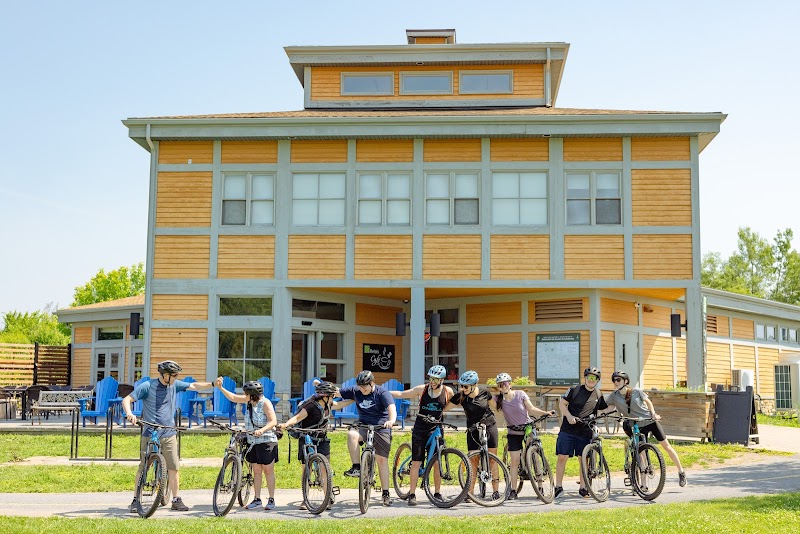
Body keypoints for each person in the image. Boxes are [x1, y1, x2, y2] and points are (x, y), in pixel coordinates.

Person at [123, 360, 215, 512]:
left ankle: (176, 499)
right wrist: (130, 413)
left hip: (169, 432)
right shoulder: (148, 386)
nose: (176, 378)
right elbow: (127, 400)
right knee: (144, 466)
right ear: (165, 375)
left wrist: (212, 384)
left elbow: (194, 386)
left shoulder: (174, 385)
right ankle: (135, 499)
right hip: (150, 431)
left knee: (173, 467)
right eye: (174, 375)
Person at [603, 370, 687, 487]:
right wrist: (599, 413)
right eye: (614, 380)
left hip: (649, 421)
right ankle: (644, 484)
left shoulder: (636, 391)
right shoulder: (614, 396)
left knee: (667, 446)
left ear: (625, 381)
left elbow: (648, 402)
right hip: (636, 425)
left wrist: (653, 414)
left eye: (618, 380)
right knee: (641, 453)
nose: (616, 382)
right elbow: (608, 408)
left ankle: (681, 472)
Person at [390, 364, 454, 506]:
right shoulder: (422, 389)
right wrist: (385, 392)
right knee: (416, 462)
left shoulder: (447, 391)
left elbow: (458, 402)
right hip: (420, 428)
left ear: (442, 380)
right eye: (430, 378)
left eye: (435, 379)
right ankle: (412, 494)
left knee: (436, 462)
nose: (432, 382)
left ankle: (437, 493)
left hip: (436, 428)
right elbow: (402, 394)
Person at [215, 377, 279, 510]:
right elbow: (233, 397)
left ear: (252, 394)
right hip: (253, 441)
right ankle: (257, 499)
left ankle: (271, 499)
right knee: (256, 470)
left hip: (267, 440)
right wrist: (221, 388)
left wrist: (261, 430)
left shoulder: (265, 403)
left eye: (246, 393)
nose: (244, 395)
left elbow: (273, 421)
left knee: (268, 470)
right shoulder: (249, 401)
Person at [337, 370, 397, 506]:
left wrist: (391, 420)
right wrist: (322, 388)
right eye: (360, 387)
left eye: (365, 387)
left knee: (382, 460)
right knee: (352, 434)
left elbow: (391, 407)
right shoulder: (356, 391)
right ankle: (357, 467)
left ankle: (386, 493)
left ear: (372, 384)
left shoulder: (382, 393)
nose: (362, 389)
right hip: (363, 425)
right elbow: (338, 392)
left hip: (381, 427)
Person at [493, 372, 555, 499]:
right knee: (514, 461)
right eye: (500, 385)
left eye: (505, 383)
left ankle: (540, 486)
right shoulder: (498, 400)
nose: (503, 386)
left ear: (510, 384)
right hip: (513, 432)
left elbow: (531, 409)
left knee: (534, 454)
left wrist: (545, 413)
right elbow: (487, 402)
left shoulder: (520, 394)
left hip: (527, 428)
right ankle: (513, 490)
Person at [279, 380, 339, 510]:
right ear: (325, 396)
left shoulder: (329, 404)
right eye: (332, 396)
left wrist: (355, 397)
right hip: (307, 439)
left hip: (322, 439)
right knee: (307, 469)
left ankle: (327, 497)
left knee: (325, 469)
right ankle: (305, 499)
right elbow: (297, 418)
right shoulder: (311, 406)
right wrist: (285, 424)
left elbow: (341, 403)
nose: (334, 398)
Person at [445, 370, 502, 500]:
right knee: (473, 461)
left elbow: (495, 406)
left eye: (465, 386)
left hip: (489, 426)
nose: (463, 389)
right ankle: (470, 493)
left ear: (474, 385)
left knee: (492, 459)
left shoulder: (484, 392)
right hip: (473, 430)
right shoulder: (461, 396)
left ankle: (496, 491)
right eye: (461, 386)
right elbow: (445, 407)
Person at [554, 366, 609, 499]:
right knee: (562, 457)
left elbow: (604, 410)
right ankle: (558, 487)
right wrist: (568, 416)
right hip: (568, 429)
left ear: (597, 380)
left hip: (585, 431)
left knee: (583, 459)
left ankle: (583, 488)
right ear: (585, 378)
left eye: (594, 378)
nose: (591, 380)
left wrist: (599, 424)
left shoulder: (599, 394)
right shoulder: (574, 390)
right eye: (589, 377)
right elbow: (562, 404)